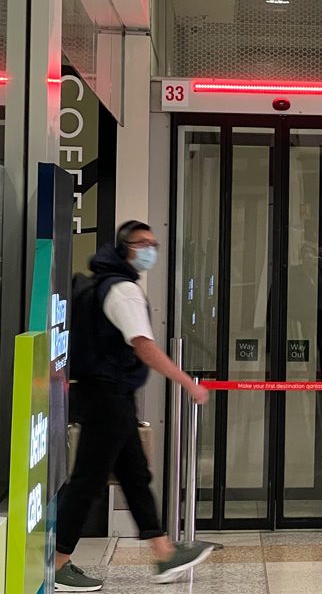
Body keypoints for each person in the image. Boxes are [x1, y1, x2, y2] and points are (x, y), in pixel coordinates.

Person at [55, 221, 213, 592]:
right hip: (108, 396)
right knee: (88, 480)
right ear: (126, 247)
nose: (150, 250)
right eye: (144, 243)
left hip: (109, 395)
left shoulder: (101, 284)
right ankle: (57, 563)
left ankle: (163, 554)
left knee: (134, 475)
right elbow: (143, 345)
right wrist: (187, 381)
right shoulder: (122, 289)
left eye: (154, 243)